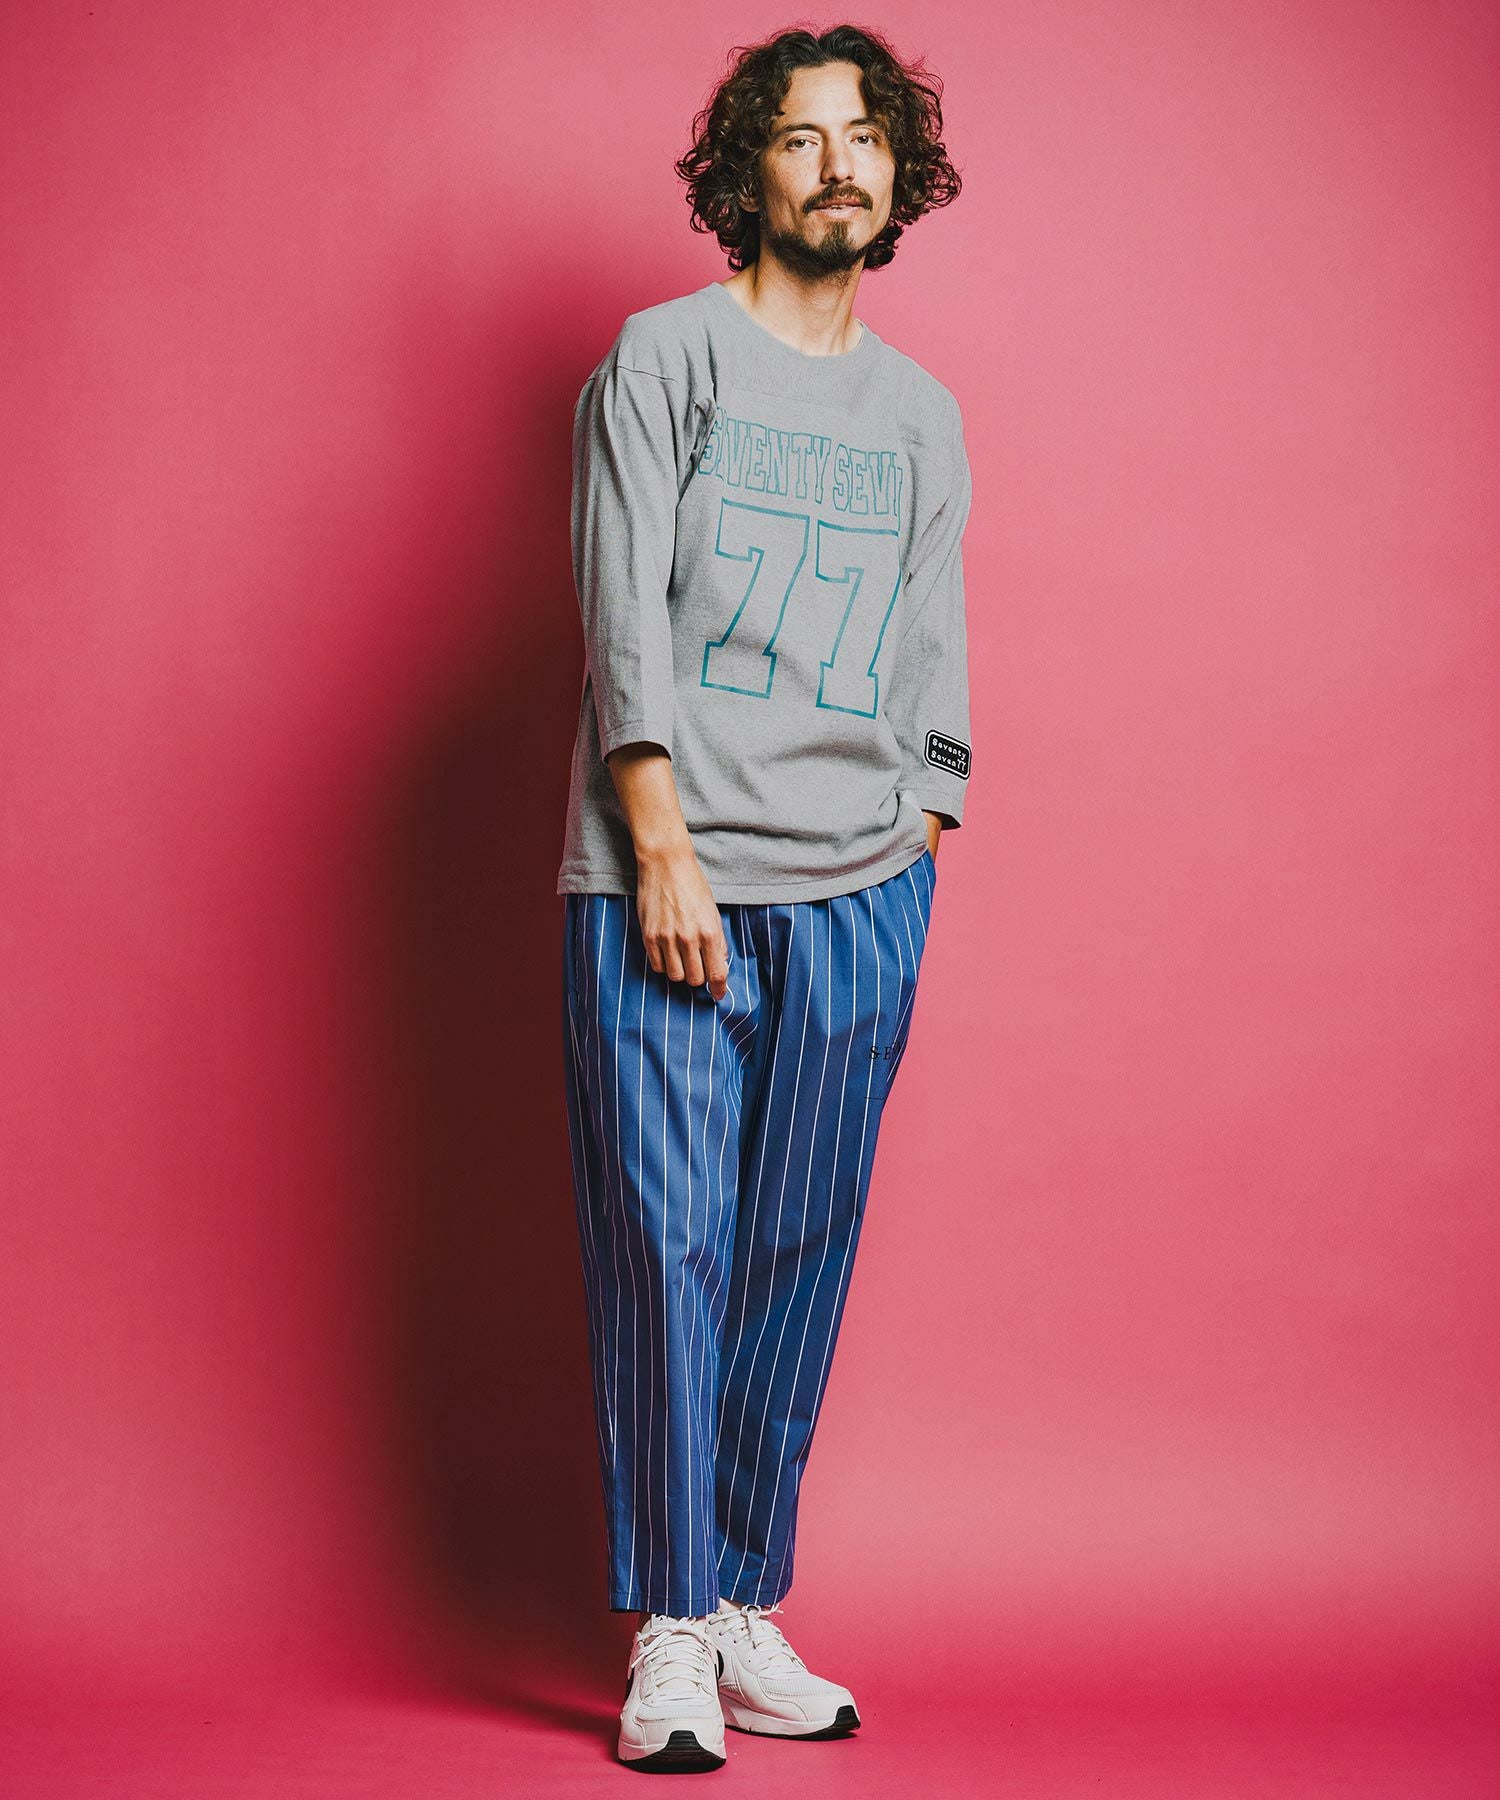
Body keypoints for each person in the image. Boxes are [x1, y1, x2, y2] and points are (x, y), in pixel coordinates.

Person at [557, 23, 971, 1773]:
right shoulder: (663, 359)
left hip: (859, 894)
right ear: (751, 172)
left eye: (863, 136)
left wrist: (921, 830)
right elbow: (619, 612)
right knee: (669, 1248)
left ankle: (737, 1599)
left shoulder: (923, 414)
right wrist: (661, 844)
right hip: (673, 878)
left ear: (898, 174)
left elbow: (934, 660)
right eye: (801, 139)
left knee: (799, 1255)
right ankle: (667, 1627)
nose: (837, 163)